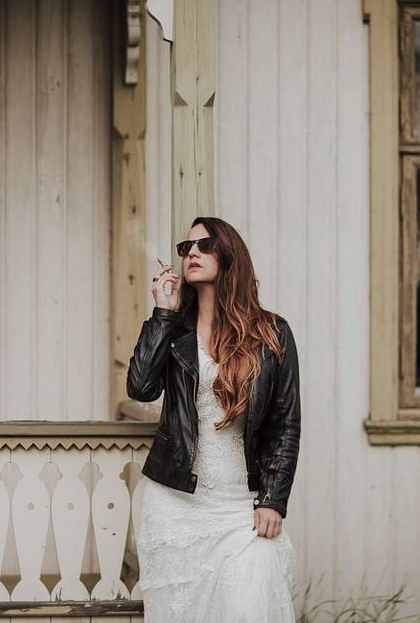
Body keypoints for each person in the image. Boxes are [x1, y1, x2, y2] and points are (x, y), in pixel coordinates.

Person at [128, 216, 300, 622]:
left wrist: (273, 500)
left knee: (249, 606)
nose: (193, 254)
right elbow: (140, 388)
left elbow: (284, 422)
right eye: (186, 247)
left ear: (229, 254)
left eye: (205, 245)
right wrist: (162, 314)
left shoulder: (272, 332)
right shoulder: (174, 328)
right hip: (173, 504)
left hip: (238, 506)